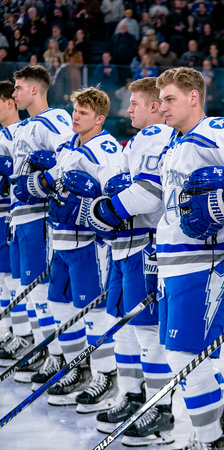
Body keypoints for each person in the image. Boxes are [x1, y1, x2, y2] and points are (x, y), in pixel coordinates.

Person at [155, 66, 224, 448]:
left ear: (194, 97)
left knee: (184, 356)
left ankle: (212, 441)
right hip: (175, 260)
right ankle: (210, 435)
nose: (162, 106)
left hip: (205, 260)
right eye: (161, 100)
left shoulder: (218, 132)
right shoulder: (176, 141)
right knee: (194, 357)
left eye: (170, 99)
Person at [20, 86, 121, 412]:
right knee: (60, 306)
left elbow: (112, 194)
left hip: (87, 244)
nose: (76, 116)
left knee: (91, 311)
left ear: (100, 119)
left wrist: (90, 201)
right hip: (60, 239)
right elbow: (50, 181)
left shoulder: (105, 148)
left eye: (83, 113)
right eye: (75, 110)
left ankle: (106, 374)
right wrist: (29, 184)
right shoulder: (67, 145)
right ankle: (77, 367)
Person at [87, 77, 176, 446]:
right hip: (124, 246)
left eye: (135, 103)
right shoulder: (139, 140)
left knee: (147, 330)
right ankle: (133, 397)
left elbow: (148, 195)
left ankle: (159, 408)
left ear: (154, 107)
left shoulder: (159, 138)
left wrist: (106, 210)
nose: (128, 110)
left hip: (145, 247)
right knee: (122, 325)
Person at [0, 66, 72, 383]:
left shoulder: (54, 118)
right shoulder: (26, 127)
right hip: (21, 216)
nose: (14, 94)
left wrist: (46, 179)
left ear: (34, 90)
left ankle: (55, 355)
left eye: (17, 88)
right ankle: (44, 349)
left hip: (40, 217)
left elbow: (69, 157)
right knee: (30, 291)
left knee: (41, 291)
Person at [0, 81, 23, 365]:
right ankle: (6, 332)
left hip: (10, 215)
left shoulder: (21, 134)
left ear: (9, 102)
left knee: (12, 279)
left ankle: (21, 334)